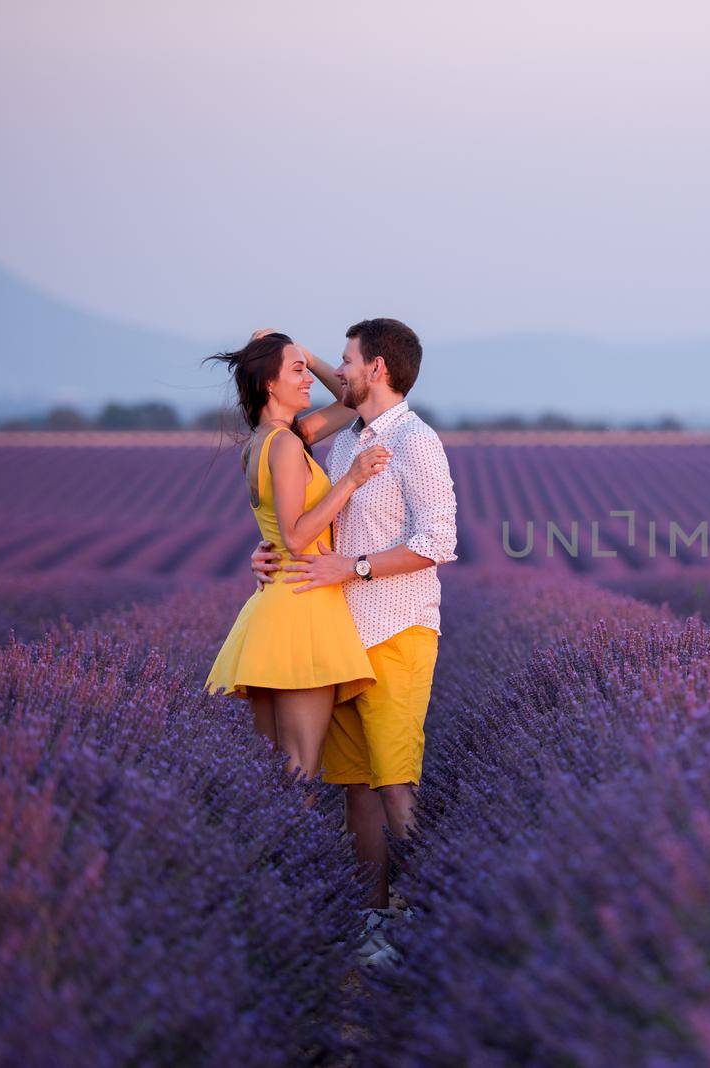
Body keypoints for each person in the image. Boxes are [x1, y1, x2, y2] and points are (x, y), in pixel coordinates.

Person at [250, 317, 458, 969]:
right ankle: (373, 917)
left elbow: (438, 542)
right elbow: (310, 524)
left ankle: (425, 918)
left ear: (377, 369)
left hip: (397, 629)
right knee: (355, 787)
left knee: (397, 782)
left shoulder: (415, 442)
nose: (331, 371)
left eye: (344, 360)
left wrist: (357, 567)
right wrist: (270, 552)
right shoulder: (345, 443)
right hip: (336, 634)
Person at [204, 332, 389, 779]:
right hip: (302, 609)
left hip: (273, 610)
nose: (307, 378)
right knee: (299, 770)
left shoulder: (267, 441)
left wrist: (302, 352)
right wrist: (350, 479)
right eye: (297, 370)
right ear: (271, 383)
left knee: (272, 776)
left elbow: (351, 403)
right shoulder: (287, 445)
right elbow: (295, 537)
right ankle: (293, 851)